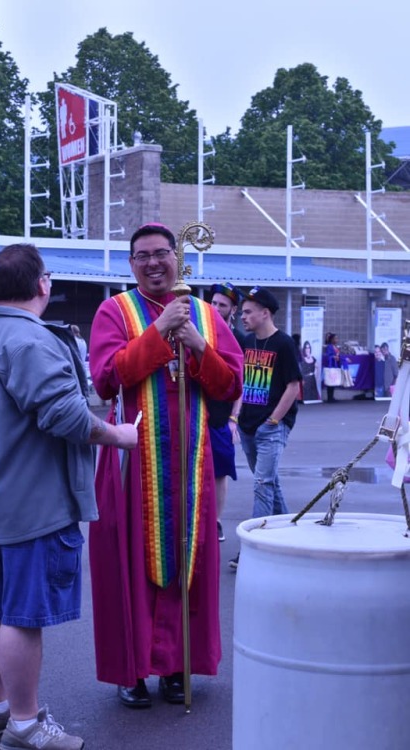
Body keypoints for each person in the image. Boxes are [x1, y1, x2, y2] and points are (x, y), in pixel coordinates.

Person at [0, 243, 137, 749]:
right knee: (23, 617)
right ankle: (26, 723)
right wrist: (121, 436)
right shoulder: (29, 342)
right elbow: (67, 418)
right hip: (33, 503)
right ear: (42, 285)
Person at [89, 222, 243, 708]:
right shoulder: (114, 310)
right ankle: (131, 670)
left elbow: (229, 385)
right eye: (142, 256)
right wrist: (158, 332)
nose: (153, 262)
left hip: (191, 461)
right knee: (128, 564)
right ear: (130, 264)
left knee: (189, 563)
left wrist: (197, 343)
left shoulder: (204, 313)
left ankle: (179, 665)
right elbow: (107, 381)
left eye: (161, 253)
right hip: (132, 461)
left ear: (177, 257)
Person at [230, 286, 301, 569]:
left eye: (248, 312)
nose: (243, 317)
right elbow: (243, 385)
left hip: (271, 427)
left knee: (261, 484)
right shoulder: (247, 342)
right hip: (248, 425)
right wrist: (238, 418)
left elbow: (293, 386)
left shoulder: (283, 343)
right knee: (270, 482)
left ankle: (253, 549)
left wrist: (274, 420)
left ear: (265, 313)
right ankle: (289, 537)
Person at [209, 282, 246, 542]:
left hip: (222, 417)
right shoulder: (200, 330)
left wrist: (234, 419)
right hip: (198, 411)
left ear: (233, 309)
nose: (216, 308)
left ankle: (217, 521)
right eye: (213, 302)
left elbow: (242, 385)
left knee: (220, 470)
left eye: (222, 305)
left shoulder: (240, 340)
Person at [324, 332, 341, 403]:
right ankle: (329, 397)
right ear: (332, 340)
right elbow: (328, 355)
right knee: (330, 381)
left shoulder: (336, 346)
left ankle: (332, 396)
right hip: (331, 365)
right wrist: (334, 357)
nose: (337, 340)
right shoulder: (329, 347)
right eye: (335, 338)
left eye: (337, 338)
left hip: (335, 365)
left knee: (333, 381)